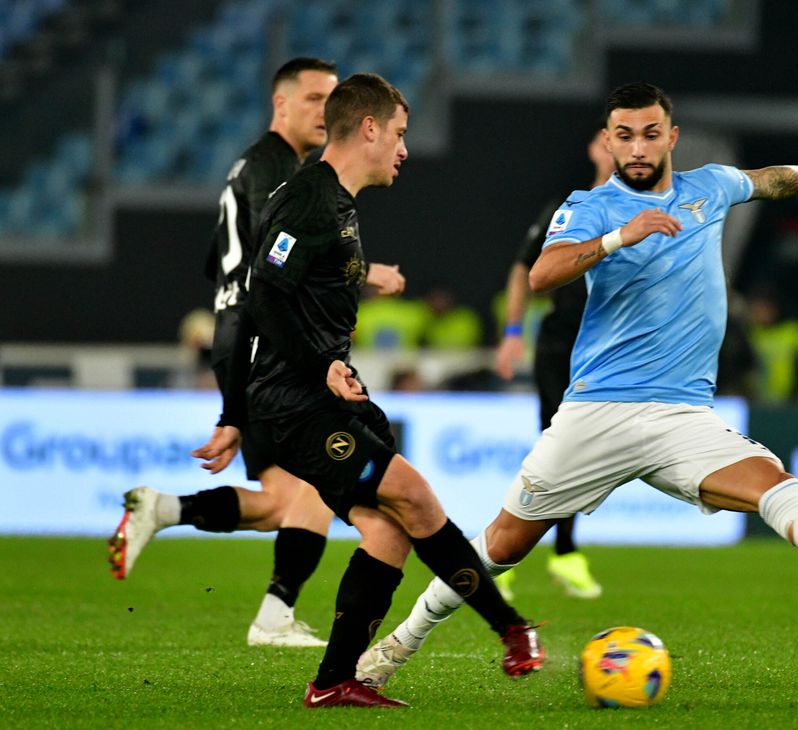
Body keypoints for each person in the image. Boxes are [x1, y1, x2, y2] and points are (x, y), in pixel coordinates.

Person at [354, 81, 798, 690]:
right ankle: (400, 643)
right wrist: (620, 237)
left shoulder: (708, 188)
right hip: (597, 412)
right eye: (623, 135)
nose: (636, 148)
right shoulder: (589, 207)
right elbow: (542, 274)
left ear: (671, 136)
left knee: (775, 484)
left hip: (682, 416)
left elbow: (769, 179)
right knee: (504, 543)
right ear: (608, 140)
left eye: (648, 133)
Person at [192, 72, 543, 709]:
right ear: (371, 128)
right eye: (400, 134)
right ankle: (512, 630)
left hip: (323, 394)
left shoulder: (339, 204)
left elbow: (302, 296)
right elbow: (263, 296)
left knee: (389, 532)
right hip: (295, 402)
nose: (405, 150)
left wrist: (331, 360)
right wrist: (305, 371)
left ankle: (332, 682)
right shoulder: (308, 200)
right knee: (413, 495)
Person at [108, 58, 347, 649]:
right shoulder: (275, 168)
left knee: (282, 503)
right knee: (323, 480)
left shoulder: (254, 166)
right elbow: (278, 265)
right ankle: (274, 617)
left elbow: (219, 258)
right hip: (266, 338)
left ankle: (161, 509)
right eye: (315, 98)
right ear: (281, 103)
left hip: (237, 334)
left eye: (333, 100)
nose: (327, 112)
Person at [489, 125, 614, 601]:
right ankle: (522, 552)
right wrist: (513, 333)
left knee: (582, 452)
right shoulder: (572, 207)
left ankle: (559, 552)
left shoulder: (644, 209)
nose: (619, 146)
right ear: (595, 146)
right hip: (563, 342)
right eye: (611, 135)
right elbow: (525, 267)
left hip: (612, 348)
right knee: (554, 446)